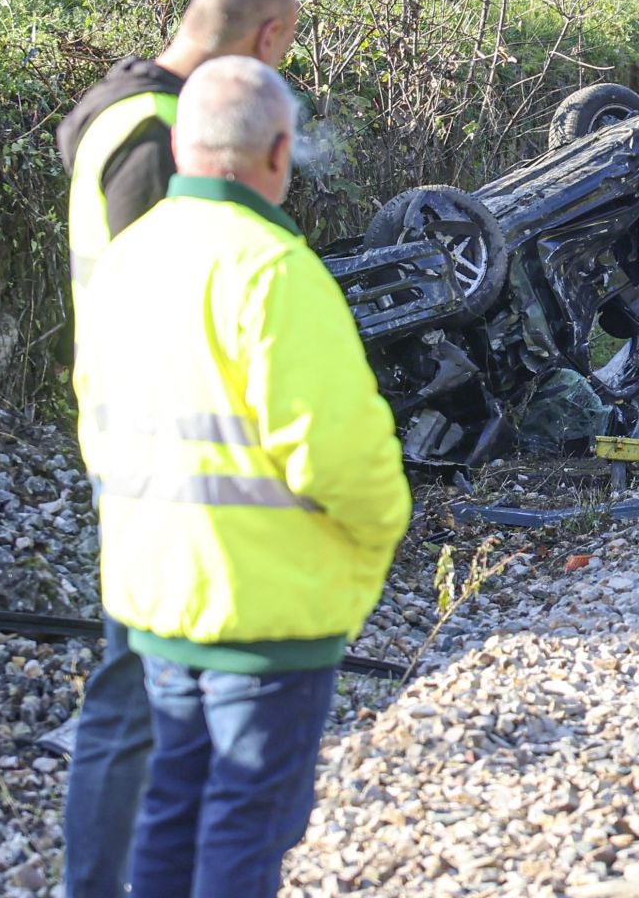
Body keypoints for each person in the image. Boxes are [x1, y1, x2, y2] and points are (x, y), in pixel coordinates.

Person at [73, 56, 410, 896]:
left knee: (172, 811)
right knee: (244, 826)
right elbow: (342, 457)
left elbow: (95, 419)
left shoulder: (125, 256)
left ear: (179, 145)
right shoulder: (273, 270)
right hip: (264, 611)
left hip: (159, 602)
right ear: (279, 151)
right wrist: (374, 546)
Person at [54, 0, 299, 898]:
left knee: (155, 688)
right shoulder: (158, 136)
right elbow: (178, 296)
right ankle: (104, 883)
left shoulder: (118, 110)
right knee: (137, 694)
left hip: (138, 436)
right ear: (266, 38)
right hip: (163, 451)